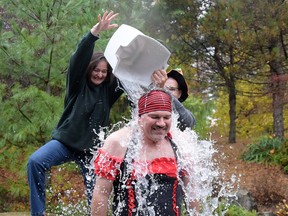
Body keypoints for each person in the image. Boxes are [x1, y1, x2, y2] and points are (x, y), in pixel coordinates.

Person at [27, 11, 124, 216]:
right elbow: (78, 58)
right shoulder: (77, 85)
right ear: (89, 70)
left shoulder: (108, 92)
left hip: (91, 152)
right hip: (65, 143)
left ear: (108, 74)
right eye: (96, 70)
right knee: (35, 162)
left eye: (103, 71)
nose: (99, 74)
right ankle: (39, 213)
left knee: (95, 194)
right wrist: (94, 33)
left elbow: (128, 79)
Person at [91, 89, 200, 216]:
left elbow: (191, 192)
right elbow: (101, 194)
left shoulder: (181, 143)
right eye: (154, 117)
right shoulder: (118, 142)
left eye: (166, 117)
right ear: (139, 118)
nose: (161, 123)